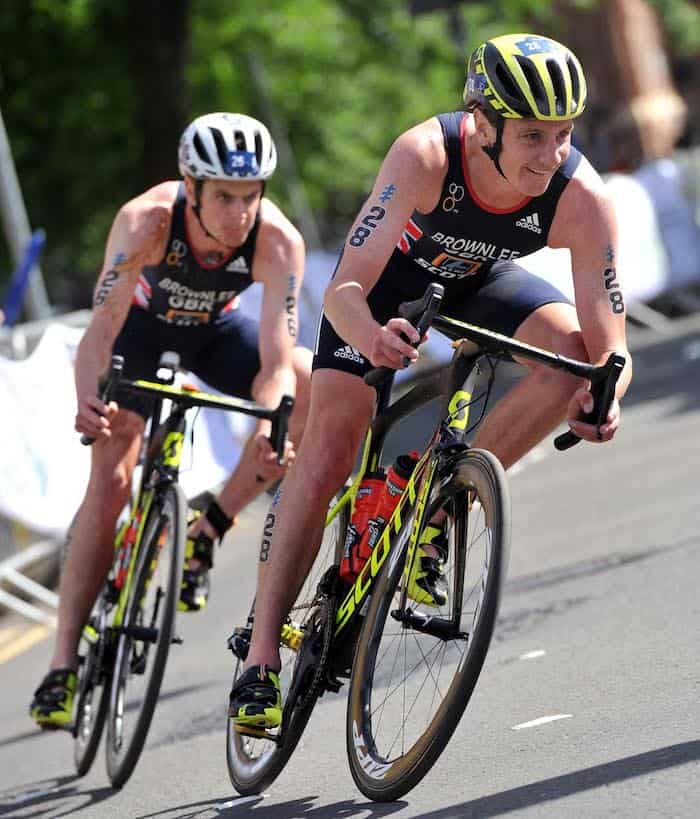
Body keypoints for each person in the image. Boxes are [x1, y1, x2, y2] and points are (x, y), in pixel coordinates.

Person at [228, 33, 633, 731]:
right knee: (327, 452)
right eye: (533, 136)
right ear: (482, 124)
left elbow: (610, 339)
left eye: (564, 133)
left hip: (481, 281)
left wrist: (605, 396)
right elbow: (344, 288)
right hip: (386, 292)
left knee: (572, 363)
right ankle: (261, 658)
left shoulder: (580, 196)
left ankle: (437, 504)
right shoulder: (425, 157)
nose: (552, 154)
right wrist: (373, 338)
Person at [29, 112, 312, 728]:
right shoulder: (147, 222)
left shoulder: (277, 241)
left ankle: (210, 525)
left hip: (215, 331)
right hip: (140, 331)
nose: (239, 214)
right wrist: (86, 395)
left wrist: (271, 419)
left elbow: (275, 356)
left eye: (249, 197)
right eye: (223, 199)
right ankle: (60, 666)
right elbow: (99, 329)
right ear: (191, 187)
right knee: (110, 479)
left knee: (306, 384)